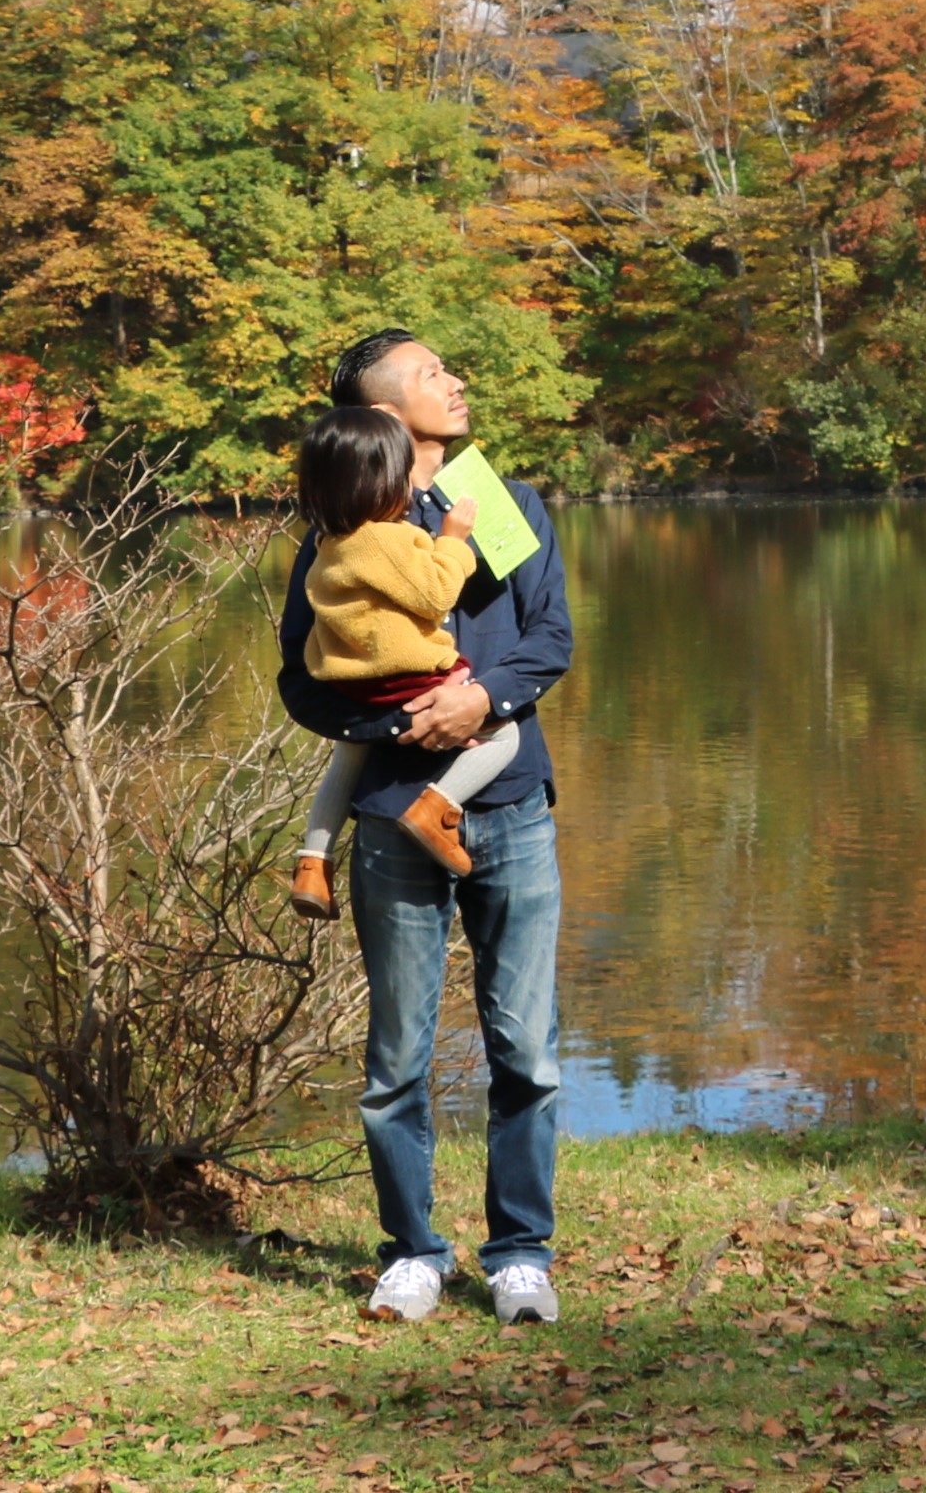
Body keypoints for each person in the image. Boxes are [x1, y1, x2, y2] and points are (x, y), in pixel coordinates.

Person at [277, 330, 573, 1329]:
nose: (457, 379)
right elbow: (301, 679)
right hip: (393, 817)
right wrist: (398, 723)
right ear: (384, 414)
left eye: (454, 364)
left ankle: (521, 1252)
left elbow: (551, 640)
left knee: (525, 1048)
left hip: (512, 807)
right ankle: (412, 1252)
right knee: (396, 1057)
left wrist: (478, 698)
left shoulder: (506, 503)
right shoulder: (343, 521)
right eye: (431, 373)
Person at [285, 404, 523, 910]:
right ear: (381, 484)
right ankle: (439, 807)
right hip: (405, 676)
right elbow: (436, 593)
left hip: (353, 685)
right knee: (505, 732)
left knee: (347, 755)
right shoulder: (384, 538)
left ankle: (312, 860)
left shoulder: (332, 541)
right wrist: (453, 540)